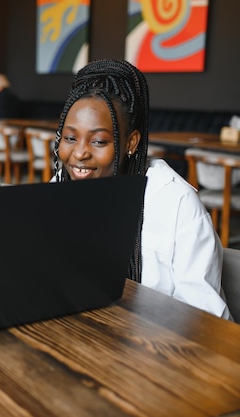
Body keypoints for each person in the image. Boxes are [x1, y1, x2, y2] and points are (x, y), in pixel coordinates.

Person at [53, 59, 231, 319]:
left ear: (131, 142)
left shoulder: (175, 204)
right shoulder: (60, 186)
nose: (79, 153)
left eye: (99, 141)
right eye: (70, 138)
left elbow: (205, 323)